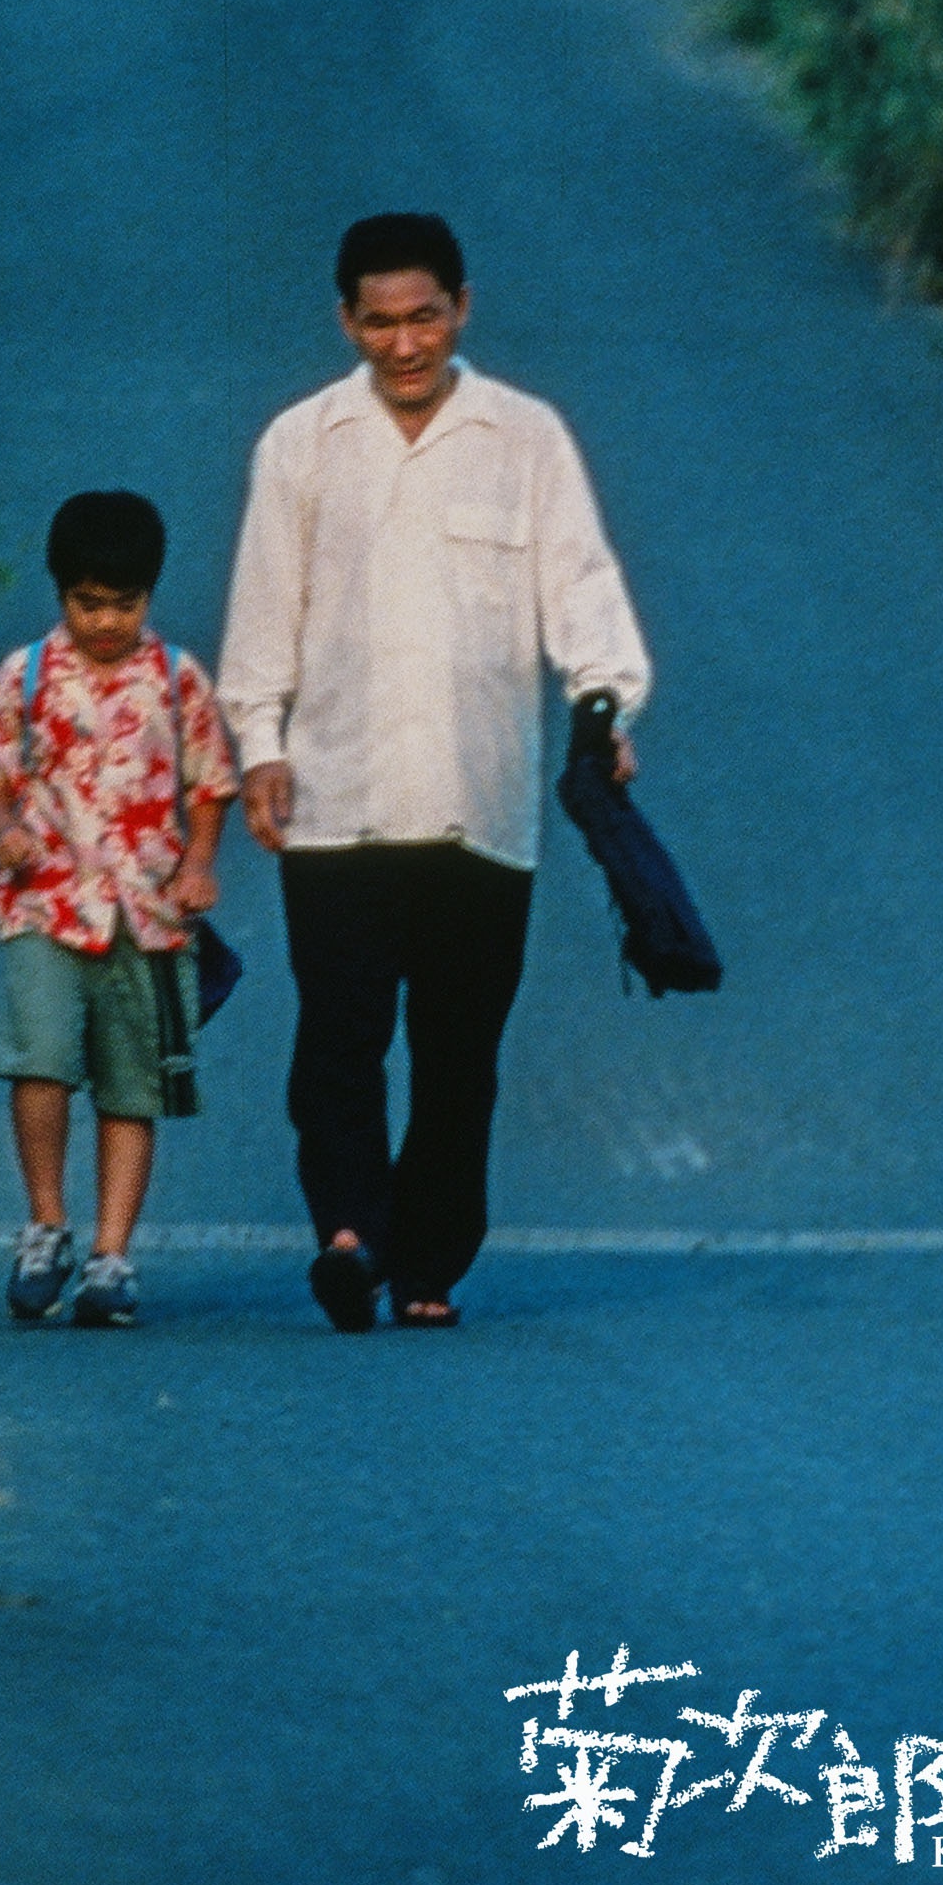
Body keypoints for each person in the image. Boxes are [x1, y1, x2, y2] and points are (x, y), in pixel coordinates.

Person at [219, 212, 651, 1333]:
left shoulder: (525, 438)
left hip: (479, 805)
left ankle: (427, 1260)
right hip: (333, 798)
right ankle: (349, 1232)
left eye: (422, 317)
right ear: (344, 321)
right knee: (339, 1037)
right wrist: (259, 745)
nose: (402, 344)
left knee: (458, 1053)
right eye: (378, 322)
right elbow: (265, 609)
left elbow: (582, 591)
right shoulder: (300, 443)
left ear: (461, 307)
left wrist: (603, 703)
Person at [0, 490, 237, 1329]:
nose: (107, 621)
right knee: (40, 1061)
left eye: (124, 604)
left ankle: (113, 1255)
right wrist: (5, 826)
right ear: (60, 594)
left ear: (149, 596)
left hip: (146, 916)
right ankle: (46, 1224)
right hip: (47, 900)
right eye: (89, 603)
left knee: (132, 1085)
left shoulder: (176, 677)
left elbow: (210, 781)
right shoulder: (29, 674)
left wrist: (197, 862)